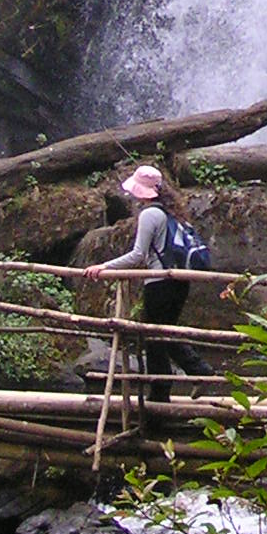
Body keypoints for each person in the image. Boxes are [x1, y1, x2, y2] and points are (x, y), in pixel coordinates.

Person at [84, 163, 209, 399]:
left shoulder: (150, 214)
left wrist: (104, 266)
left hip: (159, 284)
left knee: (153, 337)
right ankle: (196, 372)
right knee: (164, 332)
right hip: (179, 281)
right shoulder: (173, 213)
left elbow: (138, 254)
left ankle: (162, 393)